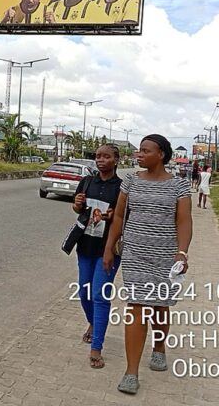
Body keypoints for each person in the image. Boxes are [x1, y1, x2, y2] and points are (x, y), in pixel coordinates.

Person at [103, 134, 192, 395]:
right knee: (137, 306)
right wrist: (110, 247)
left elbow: (184, 221)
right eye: (138, 151)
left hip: (165, 256)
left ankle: (160, 347)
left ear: (161, 154)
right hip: (134, 254)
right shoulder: (131, 181)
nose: (138, 155)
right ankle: (131, 372)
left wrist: (182, 253)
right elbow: (119, 215)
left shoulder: (179, 185)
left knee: (160, 306)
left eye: (145, 151)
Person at [71, 144, 123, 369]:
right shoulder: (87, 182)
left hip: (108, 250)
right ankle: (93, 323)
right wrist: (77, 205)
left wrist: (110, 216)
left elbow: (123, 218)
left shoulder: (122, 188)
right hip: (85, 246)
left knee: (100, 296)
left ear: (116, 160)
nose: (100, 160)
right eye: (98, 156)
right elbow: (77, 209)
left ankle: (96, 348)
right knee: (84, 290)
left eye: (106, 157)